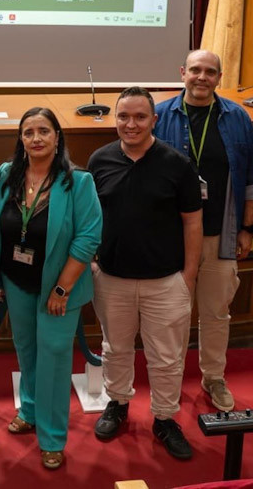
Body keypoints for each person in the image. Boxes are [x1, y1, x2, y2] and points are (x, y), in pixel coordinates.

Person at [88, 87, 202, 460]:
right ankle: (118, 404)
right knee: (115, 349)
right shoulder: (99, 161)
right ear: (115, 119)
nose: (131, 124)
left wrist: (188, 277)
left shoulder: (177, 164)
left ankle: (165, 419)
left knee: (167, 357)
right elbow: (88, 219)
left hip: (166, 281)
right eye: (124, 117)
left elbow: (193, 223)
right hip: (112, 279)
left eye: (140, 117)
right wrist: (93, 262)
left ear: (154, 120)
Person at [0, 107, 101, 471]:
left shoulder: (77, 181)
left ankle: (52, 437)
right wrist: (0, 278)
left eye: (43, 131)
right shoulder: (8, 175)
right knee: (28, 350)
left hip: (58, 288)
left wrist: (63, 290)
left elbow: (88, 238)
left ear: (57, 138)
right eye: (28, 132)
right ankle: (31, 410)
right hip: (16, 282)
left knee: (53, 358)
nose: (35, 138)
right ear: (20, 140)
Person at [153, 50, 253, 411]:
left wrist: (247, 229)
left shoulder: (237, 118)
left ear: (219, 78)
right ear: (183, 72)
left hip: (220, 235)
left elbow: (252, 180)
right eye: (196, 70)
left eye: (210, 72)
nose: (202, 77)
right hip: (171, 237)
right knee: (172, 314)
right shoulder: (160, 115)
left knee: (216, 314)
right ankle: (171, 380)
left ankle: (214, 378)